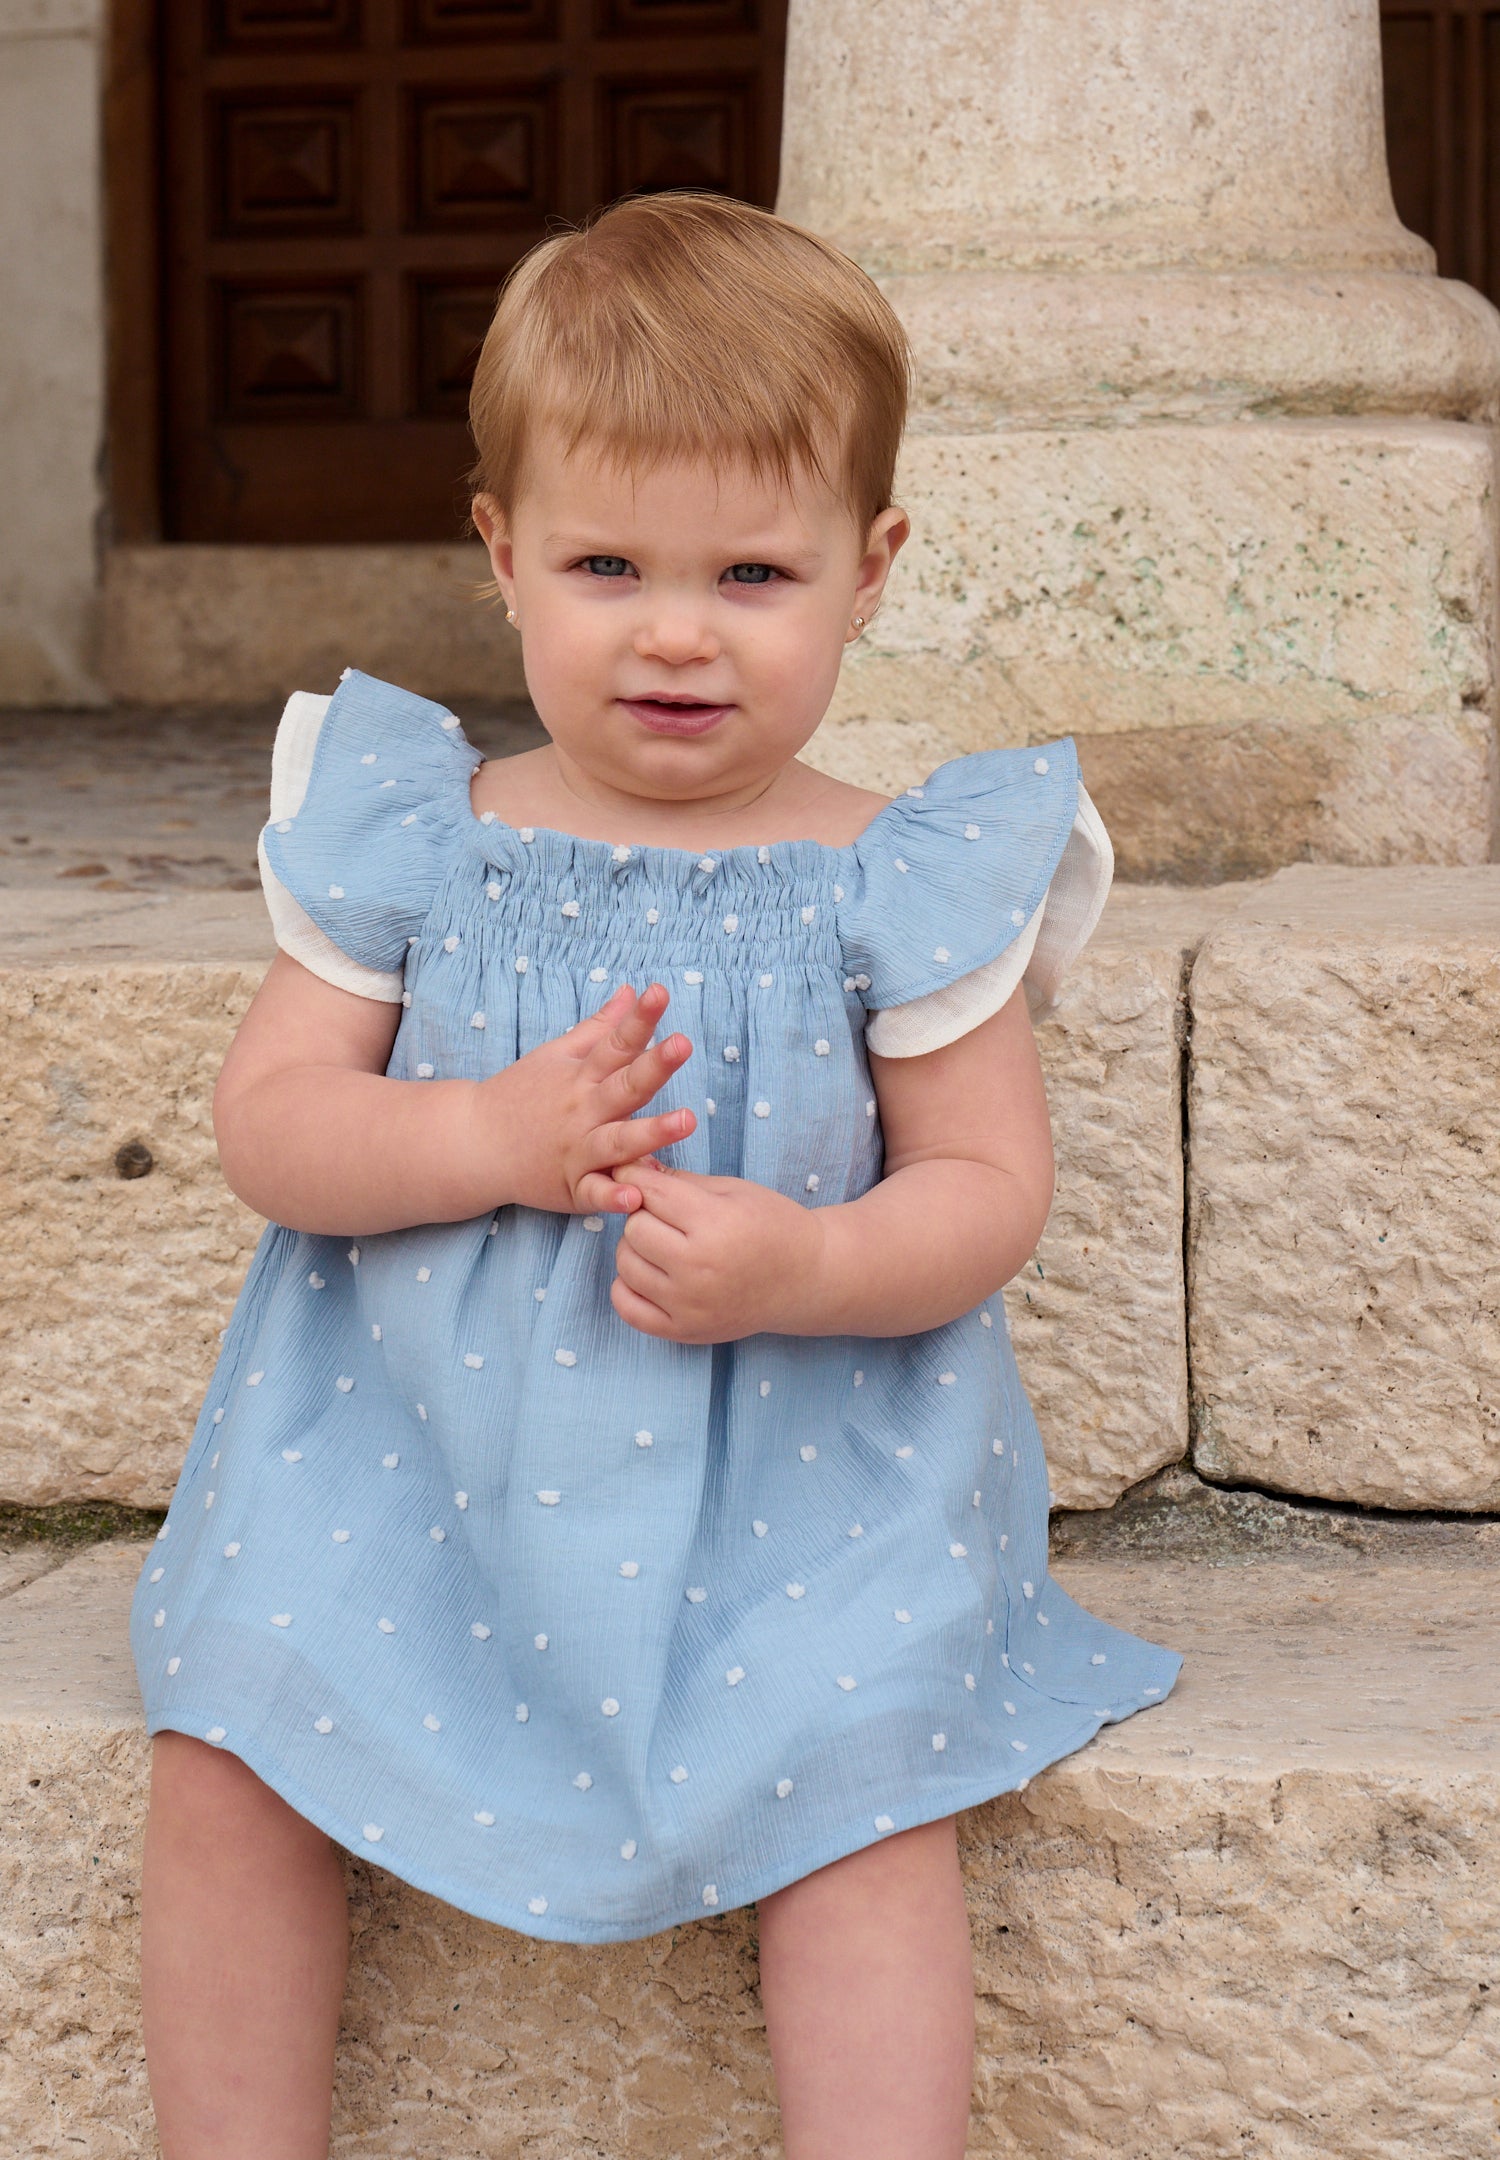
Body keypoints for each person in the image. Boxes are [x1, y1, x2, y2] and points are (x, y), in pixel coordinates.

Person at [131, 189, 1183, 2160]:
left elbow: (984, 1191)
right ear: (498, 550)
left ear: (870, 571)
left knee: (865, 1794)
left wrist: (808, 1261)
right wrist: (480, 1137)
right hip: (405, 1459)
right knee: (232, 1732)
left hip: (799, 1481)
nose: (677, 629)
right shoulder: (422, 837)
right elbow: (269, 1124)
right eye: (607, 561)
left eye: (755, 572)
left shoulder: (898, 873)